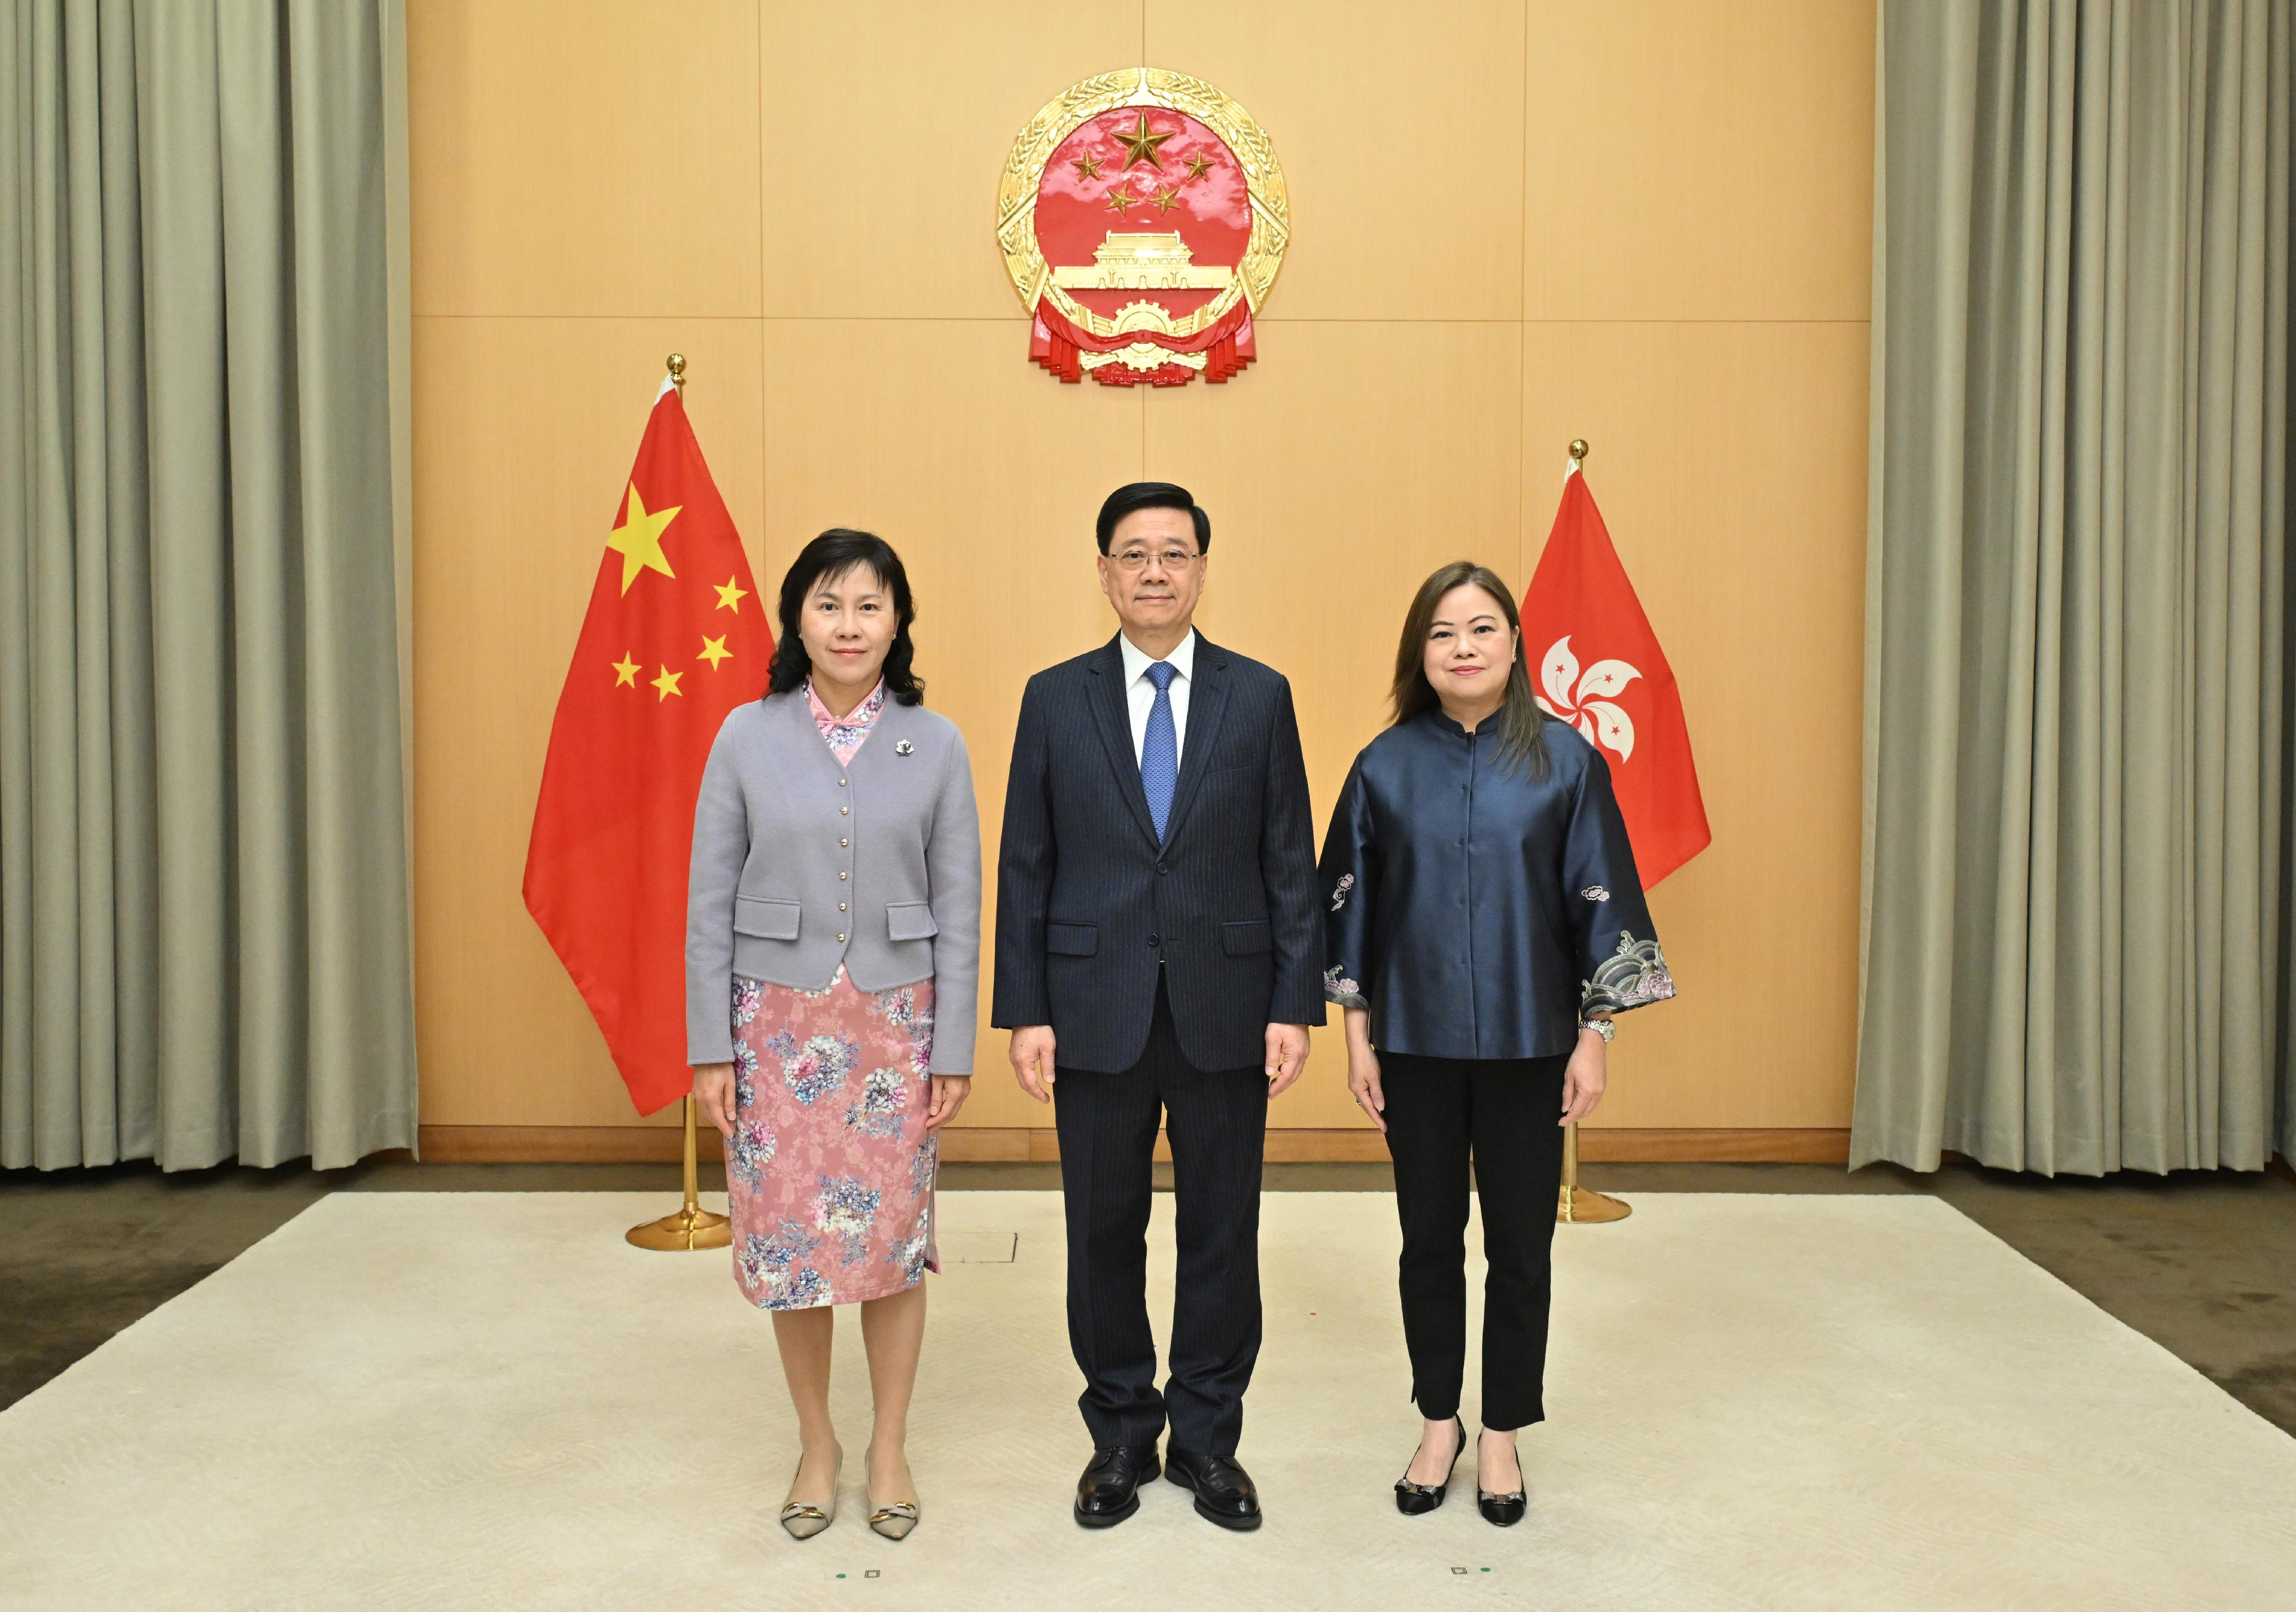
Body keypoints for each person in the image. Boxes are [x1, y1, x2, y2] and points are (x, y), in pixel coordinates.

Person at [993, 482, 1322, 1532]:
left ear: (1202, 570)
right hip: (1092, 1007)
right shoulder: (1054, 697)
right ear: (1103, 571)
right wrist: (1025, 1009)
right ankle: (1122, 1437)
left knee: (1223, 1230)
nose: (1154, 572)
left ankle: (1210, 1443)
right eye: (1132, 554)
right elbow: (1026, 864)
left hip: (1229, 1005)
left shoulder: (1260, 696)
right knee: (1103, 1231)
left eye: (1174, 554)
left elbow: (1288, 862)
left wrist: (1294, 1002)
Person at [1318, 560, 1676, 1528]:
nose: (1463, 647)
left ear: (1515, 645)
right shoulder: (1382, 766)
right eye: (1442, 633)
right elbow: (1345, 913)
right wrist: (1357, 1038)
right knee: (1427, 1244)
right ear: (1419, 653)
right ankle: (1440, 1423)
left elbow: (1601, 901)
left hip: (1532, 1046)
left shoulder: (1566, 760)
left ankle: (1505, 1433)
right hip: (1414, 1048)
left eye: (1481, 629)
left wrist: (1594, 1036)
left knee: (1520, 1250)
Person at [685, 529, 980, 1543]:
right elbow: (708, 902)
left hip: (897, 1028)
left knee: (893, 1244)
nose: (849, 625)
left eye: (869, 605)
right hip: (773, 1025)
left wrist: (953, 1050)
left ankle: (889, 1442)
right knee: (794, 1248)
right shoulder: (744, 734)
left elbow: (962, 904)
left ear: (898, 621)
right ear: (795, 619)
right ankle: (818, 1442)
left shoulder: (936, 742)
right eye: (828, 604)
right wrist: (708, 1046)